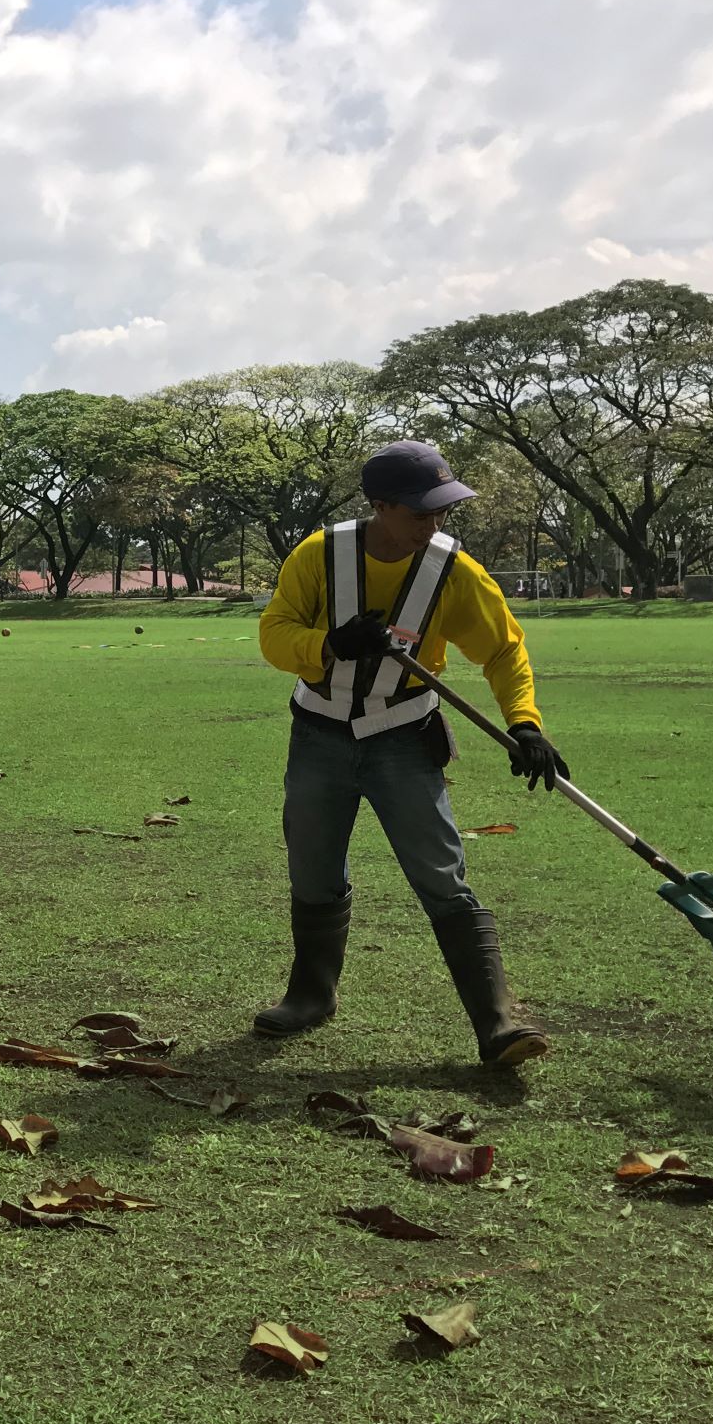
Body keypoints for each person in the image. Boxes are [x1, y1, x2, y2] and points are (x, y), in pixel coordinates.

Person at [254, 439, 568, 1066]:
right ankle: (311, 995)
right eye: (422, 512)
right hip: (319, 734)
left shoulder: (456, 572)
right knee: (313, 868)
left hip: (403, 735)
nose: (435, 523)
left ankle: (497, 1024)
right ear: (381, 506)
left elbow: (503, 650)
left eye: (443, 510)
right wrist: (331, 644)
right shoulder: (320, 555)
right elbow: (274, 633)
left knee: (441, 875)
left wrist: (525, 724)